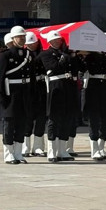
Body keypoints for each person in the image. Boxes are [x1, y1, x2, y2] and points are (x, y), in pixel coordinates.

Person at [0, 27, 33, 165]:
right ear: (13, 39)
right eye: (19, 37)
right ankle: (9, 154)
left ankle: (18, 153)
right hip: (10, 93)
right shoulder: (5, 56)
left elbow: (31, 76)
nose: (22, 39)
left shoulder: (28, 54)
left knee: (21, 124)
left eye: (23, 36)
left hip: (24, 93)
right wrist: (0, 96)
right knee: (9, 125)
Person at [39, 30, 77, 163]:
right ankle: (51, 151)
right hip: (55, 87)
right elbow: (53, 67)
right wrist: (64, 57)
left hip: (67, 87)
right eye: (55, 40)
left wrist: (73, 55)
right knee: (54, 119)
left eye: (59, 40)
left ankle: (62, 150)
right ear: (49, 41)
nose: (57, 41)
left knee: (66, 119)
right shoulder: (46, 54)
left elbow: (75, 69)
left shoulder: (65, 54)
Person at [82, 34, 106, 161]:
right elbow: (89, 69)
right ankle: (94, 148)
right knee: (94, 117)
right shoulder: (91, 56)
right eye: (105, 42)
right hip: (95, 86)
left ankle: (101, 146)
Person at [22, 32, 47, 158]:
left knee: (41, 118)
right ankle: (25, 146)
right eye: (30, 43)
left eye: (34, 43)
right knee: (28, 118)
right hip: (28, 88)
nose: (33, 45)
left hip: (41, 87)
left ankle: (38, 147)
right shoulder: (23, 55)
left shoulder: (42, 54)